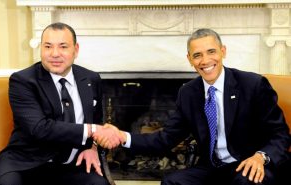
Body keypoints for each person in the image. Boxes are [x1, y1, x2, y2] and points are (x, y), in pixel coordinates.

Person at [99, 28, 291, 185]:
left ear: (223, 51)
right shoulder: (189, 93)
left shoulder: (253, 84)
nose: (205, 61)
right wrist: (123, 136)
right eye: (197, 55)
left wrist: (260, 157)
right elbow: (165, 139)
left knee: (244, 182)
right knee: (172, 182)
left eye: (211, 52)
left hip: (249, 164)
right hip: (213, 167)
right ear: (190, 59)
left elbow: (280, 134)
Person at [0, 22, 123, 185]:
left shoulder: (90, 79)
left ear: (76, 50)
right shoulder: (23, 81)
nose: (54, 54)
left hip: (73, 163)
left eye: (63, 47)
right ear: (41, 49)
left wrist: (93, 148)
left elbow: (97, 119)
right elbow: (39, 128)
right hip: (25, 163)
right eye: (48, 47)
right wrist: (92, 130)